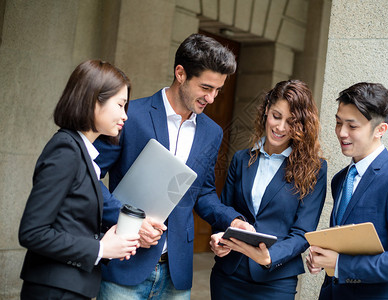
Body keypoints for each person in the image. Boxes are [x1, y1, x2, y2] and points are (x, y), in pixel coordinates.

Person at [94, 33, 252, 299]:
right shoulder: (130, 116)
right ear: (180, 73)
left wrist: (233, 220)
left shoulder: (212, 132)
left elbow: (201, 192)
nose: (212, 98)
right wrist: (129, 221)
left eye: (217, 90)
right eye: (205, 88)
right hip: (125, 263)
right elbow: (90, 178)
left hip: (176, 274)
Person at [18, 60, 140, 299]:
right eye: (120, 104)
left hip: (70, 287)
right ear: (94, 100)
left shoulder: (82, 152)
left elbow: (71, 222)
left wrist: (109, 240)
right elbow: (33, 232)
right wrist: (101, 248)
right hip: (54, 290)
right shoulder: (65, 150)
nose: (125, 115)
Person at [209, 80, 327, 300]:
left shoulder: (315, 169)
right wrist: (219, 239)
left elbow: (302, 233)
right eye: (276, 116)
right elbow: (224, 212)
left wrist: (269, 256)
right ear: (265, 111)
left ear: (302, 125)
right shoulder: (241, 159)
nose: (281, 127)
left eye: (291, 121)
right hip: (228, 276)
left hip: (275, 281)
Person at [306, 82, 388, 300]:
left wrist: (341, 264)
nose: (341, 133)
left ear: (380, 129)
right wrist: (323, 260)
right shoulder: (340, 179)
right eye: (338, 122)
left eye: (352, 126)